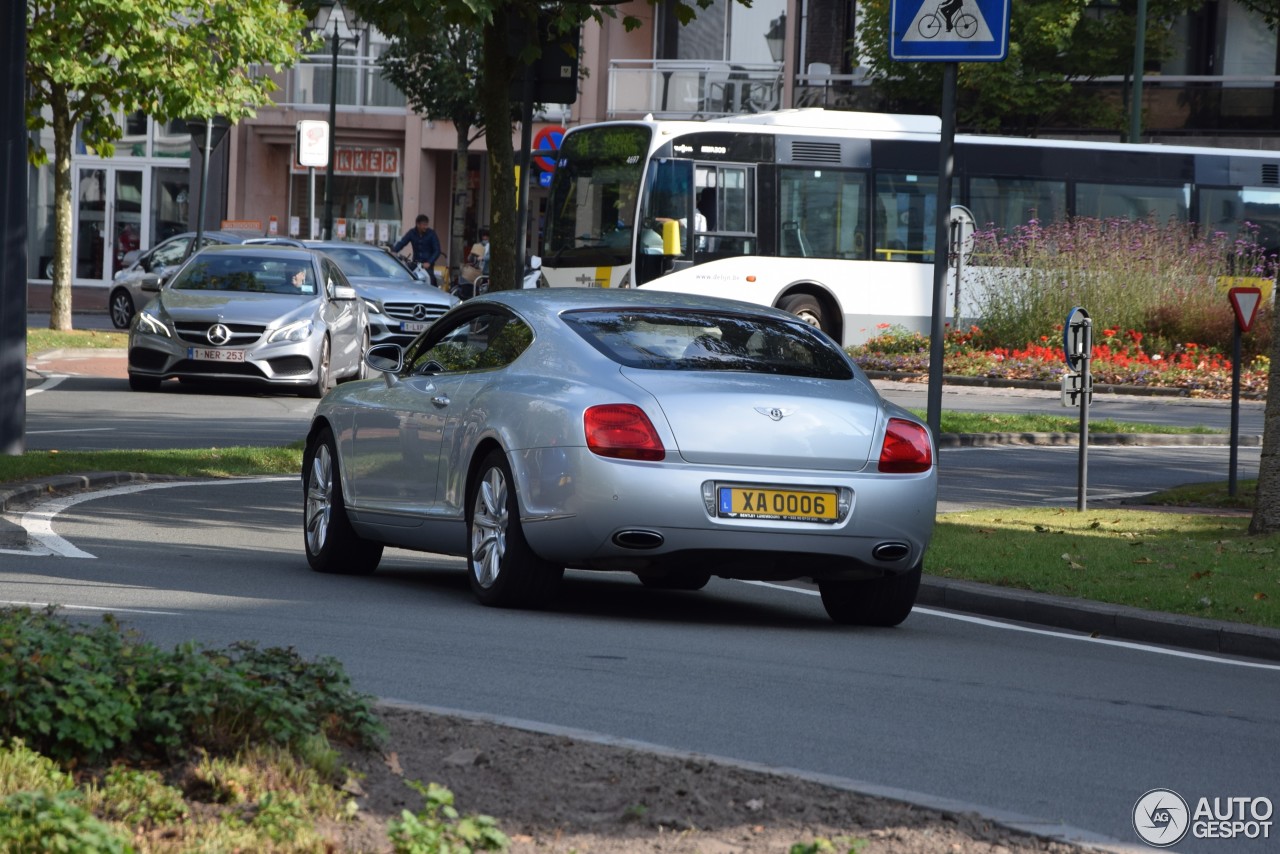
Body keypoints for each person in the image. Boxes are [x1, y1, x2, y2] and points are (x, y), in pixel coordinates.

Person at [393, 214, 443, 287]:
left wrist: (429, 262)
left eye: (427, 225)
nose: (426, 227)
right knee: (405, 276)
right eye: (424, 225)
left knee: (430, 283)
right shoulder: (412, 233)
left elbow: (437, 250)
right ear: (418, 224)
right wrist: (394, 251)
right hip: (415, 263)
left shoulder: (431, 234)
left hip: (427, 265)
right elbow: (402, 242)